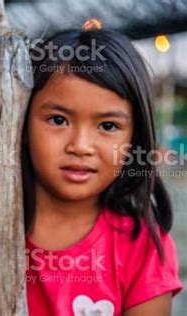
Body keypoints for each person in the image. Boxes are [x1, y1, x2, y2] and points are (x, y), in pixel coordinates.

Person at [21, 29, 183, 315]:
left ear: (135, 138)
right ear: (20, 122)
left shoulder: (143, 250)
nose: (81, 146)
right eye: (58, 120)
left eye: (108, 126)